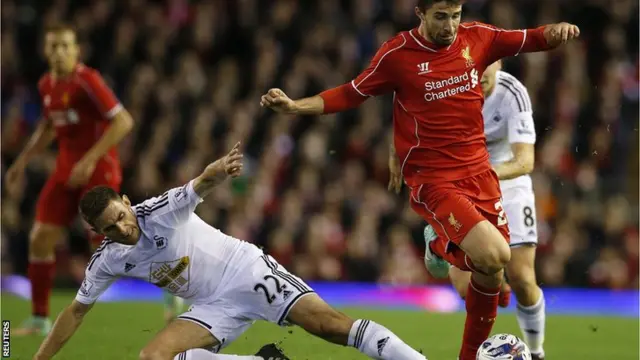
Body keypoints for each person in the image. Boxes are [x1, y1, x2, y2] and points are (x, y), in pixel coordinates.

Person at [259, 1, 579, 358]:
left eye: (455, 16)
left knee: (490, 273)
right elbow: (352, 93)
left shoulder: (478, 38)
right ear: (420, 13)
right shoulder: (398, 54)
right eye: (441, 17)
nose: (450, 26)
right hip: (435, 180)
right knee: (496, 254)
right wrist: (295, 106)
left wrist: (557, 31)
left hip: (479, 174)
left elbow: (531, 38)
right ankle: (440, 245)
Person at [33, 143, 427, 360]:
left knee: (331, 327)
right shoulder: (108, 259)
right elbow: (76, 311)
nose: (122, 226)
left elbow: (199, 184)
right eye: (110, 227)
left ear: (126, 199)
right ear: (97, 233)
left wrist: (219, 171)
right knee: (153, 358)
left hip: (247, 273)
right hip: (210, 306)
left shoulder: (159, 211)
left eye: (121, 215)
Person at [4, 24, 134, 336]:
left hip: (98, 169)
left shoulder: (87, 80)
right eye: (53, 47)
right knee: (40, 238)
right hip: (66, 171)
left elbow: (123, 121)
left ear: (76, 50)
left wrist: (89, 159)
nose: (60, 52)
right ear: (45, 51)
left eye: (65, 46)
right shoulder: (47, 84)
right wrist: (21, 162)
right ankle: (39, 318)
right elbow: (49, 126)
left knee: (110, 246)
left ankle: (171, 286)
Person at [418, 61, 546, 359]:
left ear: (499, 63)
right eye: (476, 67)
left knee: (524, 278)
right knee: (468, 289)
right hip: (462, 186)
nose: (482, 74)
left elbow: (525, 161)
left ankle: (537, 352)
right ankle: (438, 246)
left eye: (489, 65)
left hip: (508, 182)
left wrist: (482, 173)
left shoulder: (512, 92)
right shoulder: (446, 91)